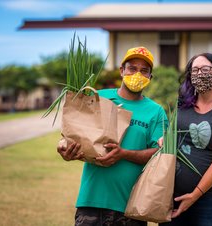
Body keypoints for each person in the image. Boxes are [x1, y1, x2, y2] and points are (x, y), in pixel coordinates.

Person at [57, 46, 168, 226]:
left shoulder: (156, 112)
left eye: (144, 71)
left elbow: (160, 154)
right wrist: (64, 149)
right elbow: (72, 135)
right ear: (121, 70)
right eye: (132, 68)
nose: (137, 74)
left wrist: (123, 154)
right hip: (91, 202)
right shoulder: (97, 98)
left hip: (132, 208)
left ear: (150, 77)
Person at [159, 53, 212, 226]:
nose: (199, 74)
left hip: (211, 199)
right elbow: (173, 140)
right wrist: (164, 140)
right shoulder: (182, 106)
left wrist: (194, 195)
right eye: (194, 70)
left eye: (205, 69)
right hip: (173, 195)